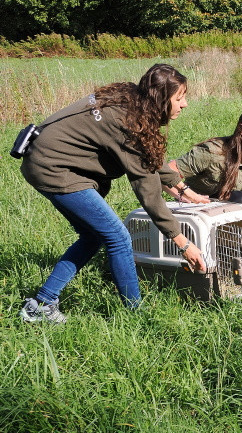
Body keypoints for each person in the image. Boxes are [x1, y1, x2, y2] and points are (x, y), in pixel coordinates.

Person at [19, 63, 208, 324]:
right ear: (160, 99)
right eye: (180, 98)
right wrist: (182, 243)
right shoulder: (126, 122)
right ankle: (136, 315)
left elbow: (147, 158)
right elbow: (149, 191)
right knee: (118, 237)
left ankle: (41, 303)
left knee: (93, 236)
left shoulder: (131, 101)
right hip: (54, 169)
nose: (184, 104)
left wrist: (184, 191)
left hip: (44, 161)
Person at [164, 105, 242, 250]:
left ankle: (240, 248)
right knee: (240, 199)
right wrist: (184, 195)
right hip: (197, 217)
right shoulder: (213, 152)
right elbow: (165, 174)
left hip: (235, 217)